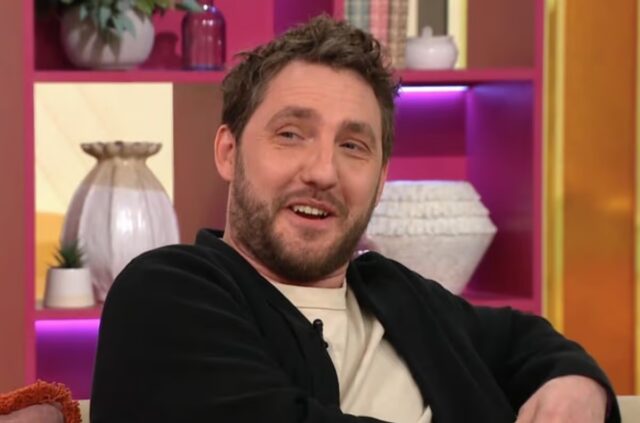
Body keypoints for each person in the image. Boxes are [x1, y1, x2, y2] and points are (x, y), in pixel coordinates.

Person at [90, 15, 620, 423]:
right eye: (291, 134)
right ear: (228, 152)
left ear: (381, 177)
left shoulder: (399, 294)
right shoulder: (166, 293)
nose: (323, 171)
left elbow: (524, 340)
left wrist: (575, 381)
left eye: (352, 145)